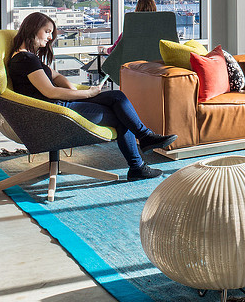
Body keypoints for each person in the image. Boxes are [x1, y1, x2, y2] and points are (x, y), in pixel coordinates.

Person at [9, 12, 176, 181]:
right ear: (33, 29)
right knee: (121, 117)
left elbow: (56, 77)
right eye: (47, 31)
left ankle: (145, 138)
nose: (50, 37)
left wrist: (74, 91)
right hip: (55, 111)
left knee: (116, 96)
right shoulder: (25, 59)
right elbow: (49, 92)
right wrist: (87, 93)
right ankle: (138, 164)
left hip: (61, 103)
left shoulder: (29, 58)